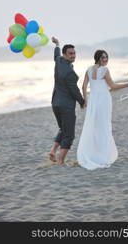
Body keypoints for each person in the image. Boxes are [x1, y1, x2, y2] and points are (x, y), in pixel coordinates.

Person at [77, 50, 128, 170]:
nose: (105, 60)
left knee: (93, 125)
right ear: (98, 58)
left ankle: (93, 153)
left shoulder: (89, 70)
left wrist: (85, 100)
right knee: (104, 125)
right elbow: (113, 86)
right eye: (103, 58)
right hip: (104, 100)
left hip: (93, 100)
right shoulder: (105, 70)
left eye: (106, 57)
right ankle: (103, 154)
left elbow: (84, 86)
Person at [49, 37, 85, 165]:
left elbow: (55, 54)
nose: (73, 55)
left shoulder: (59, 61)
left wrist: (57, 44)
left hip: (55, 103)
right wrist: (82, 102)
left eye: (74, 53)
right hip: (66, 106)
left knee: (63, 128)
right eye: (70, 53)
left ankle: (53, 151)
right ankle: (61, 161)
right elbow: (74, 90)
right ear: (65, 54)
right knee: (69, 135)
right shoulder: (70, 73)